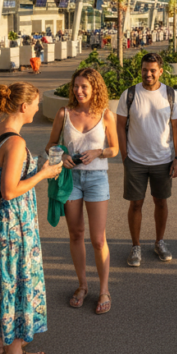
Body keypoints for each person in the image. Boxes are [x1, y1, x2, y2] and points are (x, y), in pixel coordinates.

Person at [0, 83, 62, 354]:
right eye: (35, 103)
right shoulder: (16, 143)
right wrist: (44, 173)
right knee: (15, 282)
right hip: (12, 226)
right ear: (23, 107)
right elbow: (9, 190)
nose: (37, 108)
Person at [46, 68, 119, 315]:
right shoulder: (64, 113)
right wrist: (62, 154)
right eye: (76, 86)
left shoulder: (107, 115)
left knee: (99, 239)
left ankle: (105, 290)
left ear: (95, 88)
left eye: (84, 86)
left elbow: (115, 149)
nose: (78, 91)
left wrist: (99, 152)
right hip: (71, 179)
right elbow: (50, 145)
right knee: (76, 233)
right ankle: (83, 285)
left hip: (98, 178)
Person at [116, 53, 177, 266]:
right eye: (145, 70)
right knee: (135, 203)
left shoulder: (171, 95)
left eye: (153, 70)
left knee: (160, 202)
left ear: (161, 71)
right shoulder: (129, 94)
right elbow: (119, 124)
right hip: (135, 160)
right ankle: (135, 247)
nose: (148, 74)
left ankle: (159, 242)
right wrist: (125, 155)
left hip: (163, 160)